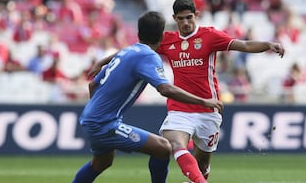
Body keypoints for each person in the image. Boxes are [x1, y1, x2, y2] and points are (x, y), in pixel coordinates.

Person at [90, 0, 285, 183]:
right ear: (174, 19)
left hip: (209, 110)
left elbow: (243, 44)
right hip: (180, 109)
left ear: (196, 15)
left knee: (202, 166)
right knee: (174, 143)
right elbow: (134, 51)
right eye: (181, 18)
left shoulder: (210, 36)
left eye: (189, 17)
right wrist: (104, 61)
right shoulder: (166, 40)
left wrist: (267, 44)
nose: (185, 22)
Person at [71, 11, 223, 183]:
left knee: (101, 163)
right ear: (161, 35)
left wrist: (97, 112)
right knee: (163, 148)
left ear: (139, 33)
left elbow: (93, 85)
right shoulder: (148, 56)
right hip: (103, 124)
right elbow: (165, 89)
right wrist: (203, 101)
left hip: (91, 118)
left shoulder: (127, 51)